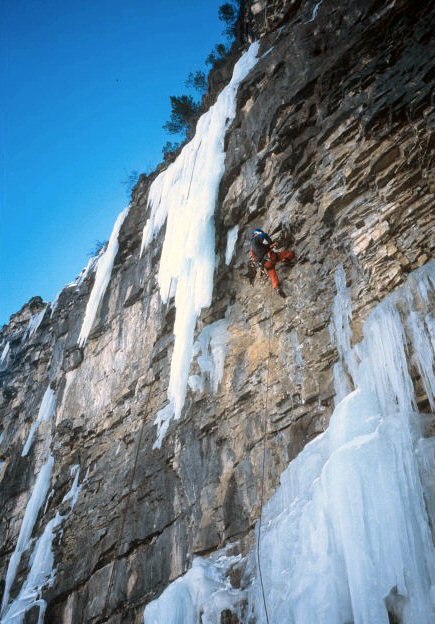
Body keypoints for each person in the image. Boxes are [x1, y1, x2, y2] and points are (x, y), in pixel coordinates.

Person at [250, 228, 295, 297]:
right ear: (257, 233)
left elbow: (258, 255)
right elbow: (264, 235)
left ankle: (277, 287)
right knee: (289, 254)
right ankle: (285, 259)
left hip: (265, 264)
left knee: (272, 274)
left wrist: (272, 245)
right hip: (271, 257)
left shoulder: (252, 248)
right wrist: (270, 242)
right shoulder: (256, 238)